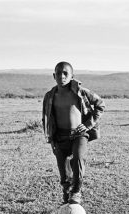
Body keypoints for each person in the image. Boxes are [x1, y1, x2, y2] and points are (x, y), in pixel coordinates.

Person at [42, 61, 105, 205]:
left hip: (79, 134)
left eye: (66, 73)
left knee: (78, 158)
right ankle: (67, 198)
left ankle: (76, 191)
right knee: (64, 172)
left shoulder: (80, 92)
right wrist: (51, 140)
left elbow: (100, 104)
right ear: (54, 75)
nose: (62, 76)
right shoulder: (49, 96)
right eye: (58, 73)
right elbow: (46, 119)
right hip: (59, 137)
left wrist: (88, 124)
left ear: (72, 76)